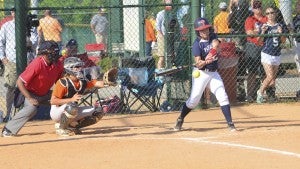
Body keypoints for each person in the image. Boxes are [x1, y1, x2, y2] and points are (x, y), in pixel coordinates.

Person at [173, 17, 236, 132]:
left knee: (222, 95)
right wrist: (203, 62)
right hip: (201, 74)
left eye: (206, 29)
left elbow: (216, 45)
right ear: (198, 31)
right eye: (201, 30)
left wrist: (210, 55)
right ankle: (180, 118)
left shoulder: (212, 36)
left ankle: (230, 123)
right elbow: (198, 62)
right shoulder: (197, 44)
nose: (205, 32)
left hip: (213, 73)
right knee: (194, 100)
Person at [1, 41, 63, 137]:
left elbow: (59, 83)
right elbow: (19, 82)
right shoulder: (37, 63)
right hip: (29, 93)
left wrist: (62, 95)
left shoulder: (58, 64)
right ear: (43, 53)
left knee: (65, 99)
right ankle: (8, 129)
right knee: (31, 108)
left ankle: (67, 125)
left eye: (55, 50)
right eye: (51, 51)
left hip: (45, 93)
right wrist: (29, 98)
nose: (54, 53)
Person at [50, 57, 106, 136]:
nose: (80, 69)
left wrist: (108, 82)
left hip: (72, 110)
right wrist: (71, 99)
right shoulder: (62, 82)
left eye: (80, 67)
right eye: (77, 67)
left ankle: (71, 126)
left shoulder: (82, 81)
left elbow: (95, 83)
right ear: (69, 69)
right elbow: (53, 101)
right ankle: (61, 128)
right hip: (57, 112)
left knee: (99, 111)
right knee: (72, 106)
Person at [256, 7, 285, 103]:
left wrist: (281, 33)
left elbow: (283, 41)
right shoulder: (264, 26)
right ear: (266, 15)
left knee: (272, 80)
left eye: (272, 12)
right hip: (267, 53)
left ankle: (268, 94)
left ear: (275, 14)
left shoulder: (279, 25)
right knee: (270, 76)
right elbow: (259, 41)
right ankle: (260, 92)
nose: (270, 14)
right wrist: (263, 32)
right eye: (267, 13)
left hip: (277, 54)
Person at [244, 0, 267, 102]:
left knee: (265, 72)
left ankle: (262, 94)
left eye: (260, 6)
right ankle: (249, 95)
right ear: (253, 9)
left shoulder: (266, 18)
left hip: (265, 47)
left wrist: (256, 32)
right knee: (252, 72)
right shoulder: (250, 19)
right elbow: (249, 33)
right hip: (253, 47)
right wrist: (258, 31)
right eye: (256, 7)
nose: (258, 8)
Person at [0, 8, 17, 122]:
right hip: (11, 60)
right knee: (10, 87)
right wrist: (2, 57)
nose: (14, 13)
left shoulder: (28, 25)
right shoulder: (6, 26)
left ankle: (23, 114)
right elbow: (0, 42)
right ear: (11, 13)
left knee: (27, 88)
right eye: (13, 11)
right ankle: (8, 113)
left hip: (27, 60)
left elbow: (36, 41)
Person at [155, 2, 172, 69]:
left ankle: (169, 73)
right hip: (162, 36)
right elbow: (158, 27)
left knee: (170, 56)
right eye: (168, 4)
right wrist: (162, 36)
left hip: (170, 36)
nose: (169, 5)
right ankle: (159, 75)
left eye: (170, 3)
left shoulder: (173, 13)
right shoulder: (161, 13)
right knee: (162, 57)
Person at [292, 0, 300, 74]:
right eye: (298, 6)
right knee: (298, 58)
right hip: (297, 41)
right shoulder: (294, 19)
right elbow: (293, 30)